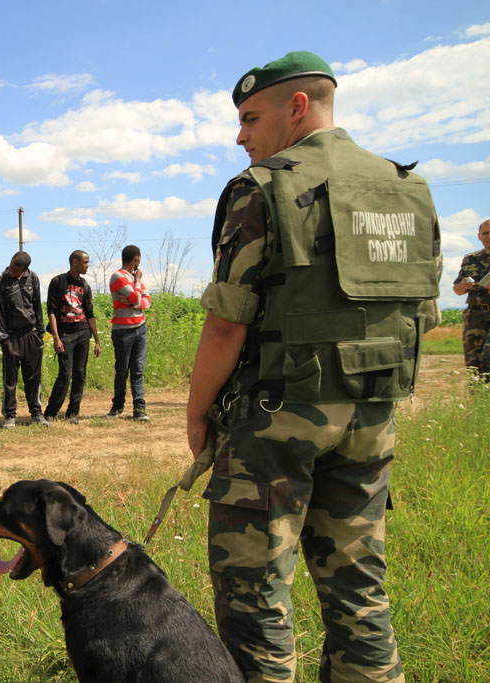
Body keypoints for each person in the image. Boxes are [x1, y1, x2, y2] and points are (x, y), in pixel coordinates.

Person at [185, 51, 441, 682]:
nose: (240, 135)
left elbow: (225, 323)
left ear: (297, 107)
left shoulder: (263, 188)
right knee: (359, 583)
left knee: (255, 594)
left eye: (250, 118)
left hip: (276, 421)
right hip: (372, 417)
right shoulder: (406, 187)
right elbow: (425, 314)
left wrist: (196, 414)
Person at [0, 251, 48, 427]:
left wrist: (40, 333)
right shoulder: (0, 280)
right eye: (12, 266)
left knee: (33, 377)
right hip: (11, 336)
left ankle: (36, 413)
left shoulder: (34, 278)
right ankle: (10, 415)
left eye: (16, 270)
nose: (12, 272)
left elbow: (37, 305)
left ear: (24, 269)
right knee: (10, 380)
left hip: (31, 334)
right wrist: (4, 339)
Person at [45, 250, 101, 423]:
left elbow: (89, 313)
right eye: (85, 262)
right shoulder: (58, 282)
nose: (87, 265)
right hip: (65, 333)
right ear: (75, 262)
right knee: (65, 374)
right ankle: (50, 413)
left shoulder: (85, 285)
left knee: (80, 373)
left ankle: (73, 413)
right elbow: (51, 312)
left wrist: (97, 340)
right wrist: (56, 337)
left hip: (83, 331)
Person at [108, 245, 152, 420]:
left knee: (138, 370)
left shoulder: (133, 279)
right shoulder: (118, 276)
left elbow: (146, 302)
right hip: (123, 331)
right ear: (136, 259)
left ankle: (139, 409)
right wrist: (137, 285)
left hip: (140, 328)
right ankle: (117, 407)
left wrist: (133, 299)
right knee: (122, 370)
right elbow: (136, 298)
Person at [452, 219, 490, 380]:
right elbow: (457, 290)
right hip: (475, 317)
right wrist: (463, 286)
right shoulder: (470, 259)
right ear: (479, 236)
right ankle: (478, 401)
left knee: (488, 358)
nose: (489, 236)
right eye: (486, 233)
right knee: (473, 364)